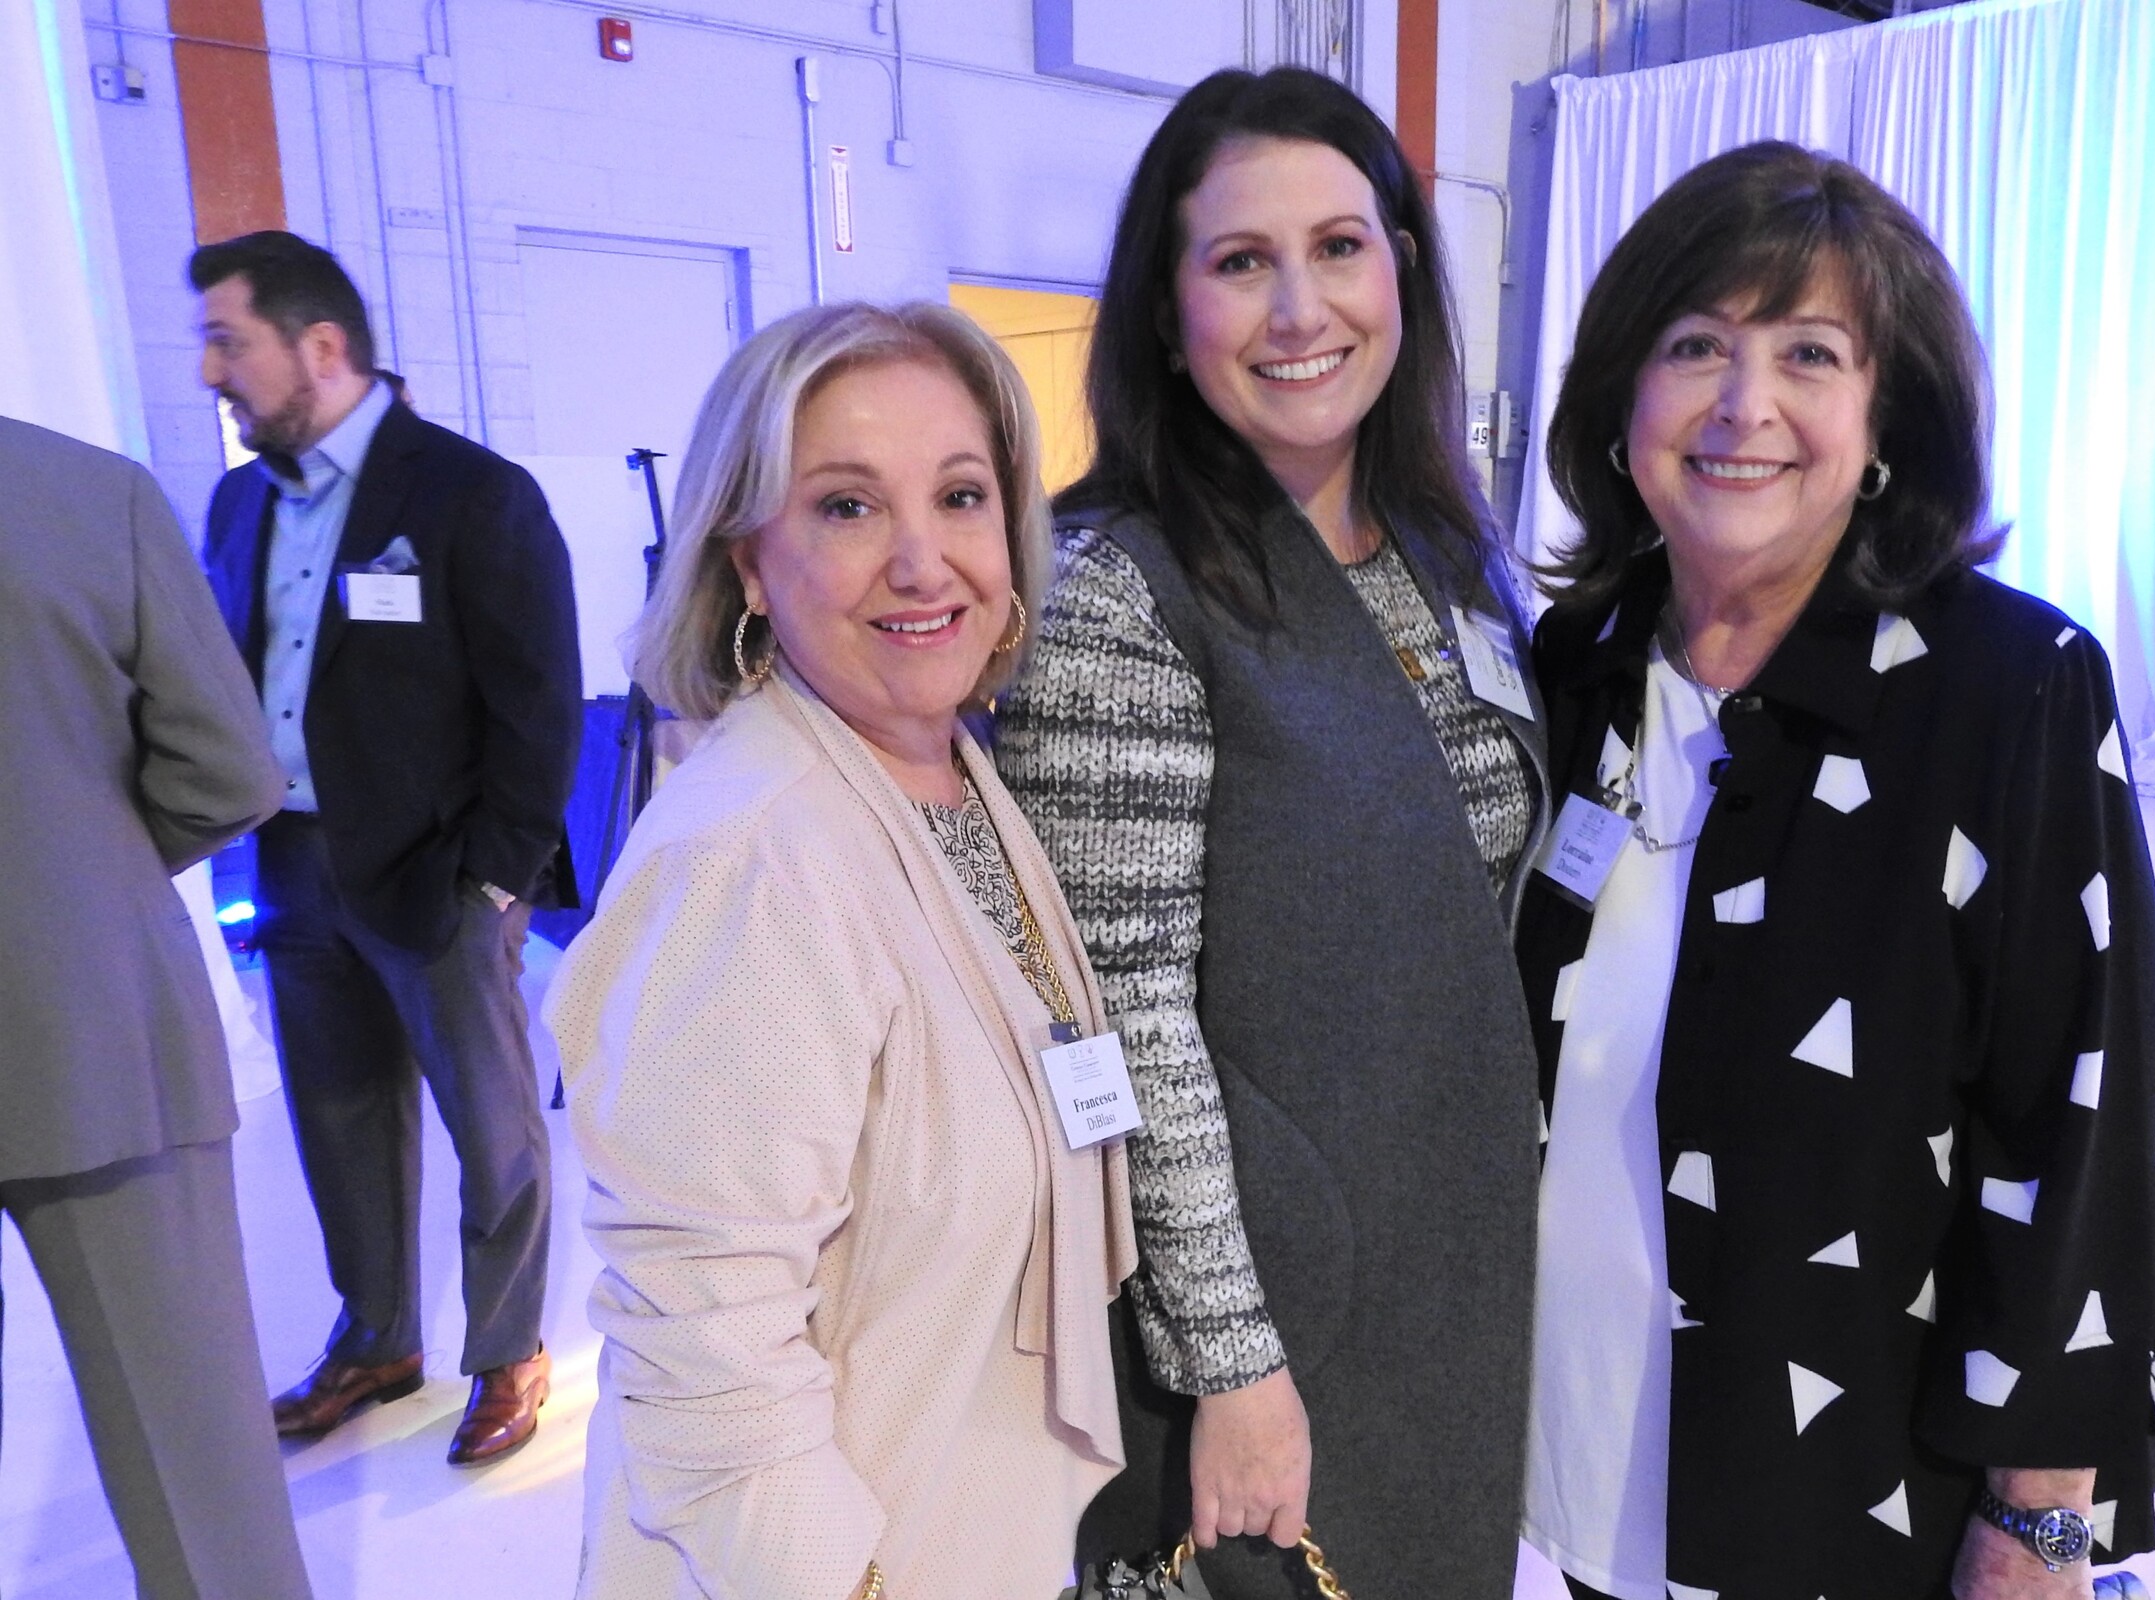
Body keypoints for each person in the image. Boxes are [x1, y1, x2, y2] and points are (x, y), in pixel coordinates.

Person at [1514, 141, 2155, 1600]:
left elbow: (2082, 1121)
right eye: (1697, 346)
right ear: (1625, 399)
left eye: (1809, 354)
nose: (1743, 404)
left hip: (1853, 1500)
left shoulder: (2012, 689)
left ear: (1886, 417)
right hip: (1585, 1447)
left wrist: (2044, 1524)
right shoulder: (1577, 665)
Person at [995, 67, 1547, 1599]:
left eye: (1339, 248)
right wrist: (1232, 1364)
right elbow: (1123, 1032)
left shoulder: (1441, 552)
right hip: (1262, 1315)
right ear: (1167, 314)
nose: (1301, 308)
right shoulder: (1117, 594)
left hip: (1443, 1275)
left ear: (1402, 270)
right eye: (1242, 262)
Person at [545, 302, 1134, 1600]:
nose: (924, 562)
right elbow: (707, 1356)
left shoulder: (948, 770)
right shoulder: (750, 856)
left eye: (961, 496)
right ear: (748, 563)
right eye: (848, 507)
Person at [191, 230, 583, 1465]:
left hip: (440, 872)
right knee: (338, 1118)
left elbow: (540, 704)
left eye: (228, 341)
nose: (210, 371)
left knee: (493, 1131)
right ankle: (376, 1339)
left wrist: (496, 876)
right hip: (296, 863)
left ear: (321, 347)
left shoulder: (470, 492)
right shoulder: (239, 500)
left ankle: (507, 1348)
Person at [0, 415, 313, 1600]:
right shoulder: (87, 494)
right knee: (203, 1488)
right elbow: (229, 770)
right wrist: (87, 878)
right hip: (96, 1025)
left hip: (98, 1026)